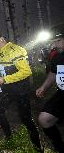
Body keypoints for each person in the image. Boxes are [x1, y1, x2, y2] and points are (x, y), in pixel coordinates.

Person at [0, 29, 42, 152]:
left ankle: (38, 147)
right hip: (8, 90)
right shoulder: (0, 53)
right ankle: (9, 138)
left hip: (21, 90)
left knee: (26, 118)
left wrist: (4, 79)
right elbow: (5, 71)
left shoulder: (15, 50)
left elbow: (26, 71)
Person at [36, 24, 64, 153]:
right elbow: (53, 73)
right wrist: (43, 87)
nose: (54, 45)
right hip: (62, 93)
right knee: (44, 119)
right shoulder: (58, 56)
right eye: (53, 41)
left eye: (58, 41)